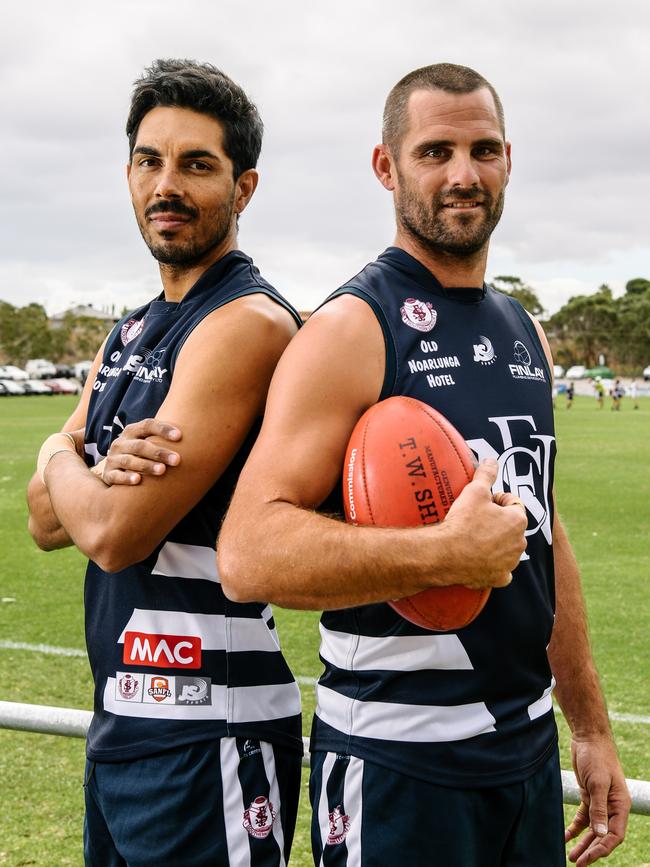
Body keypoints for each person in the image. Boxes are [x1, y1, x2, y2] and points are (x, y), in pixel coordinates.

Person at [217, 64, 630, 867]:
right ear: (387, 166)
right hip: (397, 762)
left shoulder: (524, 331)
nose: (463, 175)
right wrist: (441, 554)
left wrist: (588, 724)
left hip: (523, 754)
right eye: (435, 151)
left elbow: (543, 533)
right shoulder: (350, 328)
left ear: (509, 158)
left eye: (482, 150)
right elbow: (247, 551)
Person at [27, 59, 303, 866]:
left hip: (210, 727)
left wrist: (64, 451)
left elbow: (111, 531)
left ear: (244, 187)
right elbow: (45, 519)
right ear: (128, 174)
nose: (166, 184)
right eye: (150, 161)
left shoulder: (246, 322)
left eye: (196, 164)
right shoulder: (129, 332)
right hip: (125, 721)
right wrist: (68, 459)